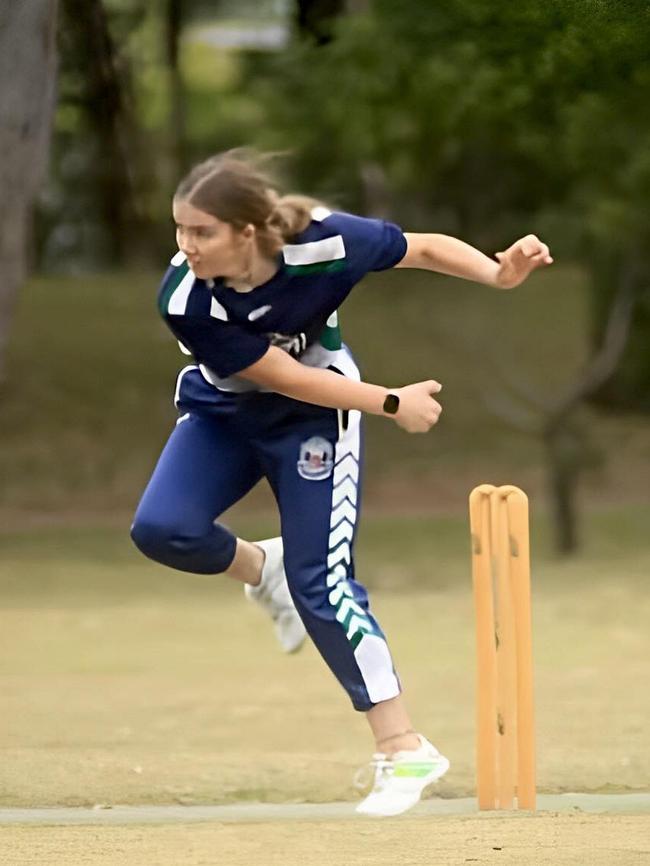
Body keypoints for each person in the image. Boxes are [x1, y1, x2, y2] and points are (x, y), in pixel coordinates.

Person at [130, 149, 552, 817]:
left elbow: (425, 250)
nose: (186, 246)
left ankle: (403, 747)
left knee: (322, 581)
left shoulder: (324, 240)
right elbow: (280, 375)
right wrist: (390, 401)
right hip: (227, 414)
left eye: (201, 232)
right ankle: (259, 568)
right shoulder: (184, 295)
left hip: (317, 421)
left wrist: (498, 273)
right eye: (179, 230)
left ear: (247, 231)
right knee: (162, 530)